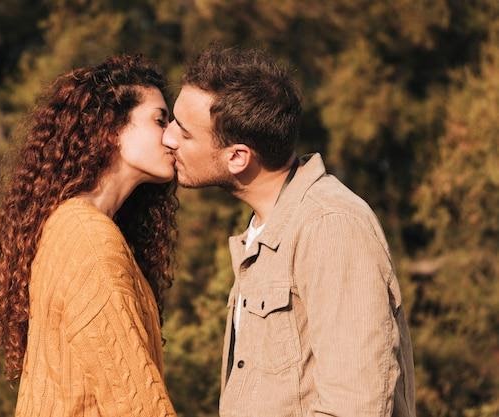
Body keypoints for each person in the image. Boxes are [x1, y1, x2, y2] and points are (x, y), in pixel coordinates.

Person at [162, 45, 416, 417]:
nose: (168, 138)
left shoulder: (330, 226)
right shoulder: (268, 229)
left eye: (183, 133)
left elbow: (355, 404)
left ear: (237, 157)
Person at [0, 55, 178, 417]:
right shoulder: (88, 237)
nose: (173, 136)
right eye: (160, 120)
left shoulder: (74, 225)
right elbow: (135, 400)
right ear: (112, 129)